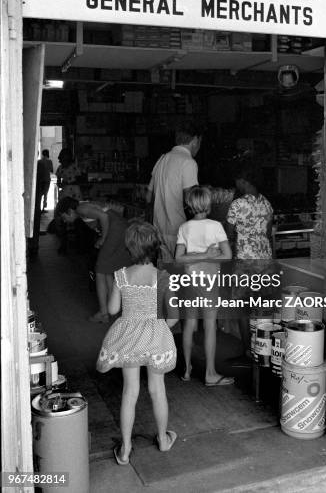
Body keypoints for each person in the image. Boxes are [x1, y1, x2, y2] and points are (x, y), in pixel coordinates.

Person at [96, 221, 178, 464]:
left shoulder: (121, 275)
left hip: (129, 338)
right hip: (155, 338)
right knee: (157, 390)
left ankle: (125, 449)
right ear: (154, 246)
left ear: (130, 248)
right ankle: (163, 439)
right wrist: (159, 327)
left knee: (129, 392)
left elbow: (112, 309)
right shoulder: (162, 276)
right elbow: (173, 317)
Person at [175, 186, 234, 386]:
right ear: (208, 204)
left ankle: (187, 369)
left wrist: (196, 256)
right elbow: (227, 255)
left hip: (190, 279)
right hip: (209, 281)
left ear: (189, 206)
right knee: (209, 326)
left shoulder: (184, 228)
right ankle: (210, 374)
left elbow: (178, 258)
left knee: (189, 324)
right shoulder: (216, 226)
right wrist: (209, 255)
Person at [55, 197, 133, 323]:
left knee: (100, 270)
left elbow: (104, 217)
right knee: (107, 272)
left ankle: (104, 313)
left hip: (116, 230)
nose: (64, 221)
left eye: (63, 217)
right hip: (119, 229)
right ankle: (111, 309)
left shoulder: (81, 209)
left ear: (69, 211)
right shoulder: (82, 209)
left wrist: (103, 238)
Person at [226, 163, 274, 364]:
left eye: (238, 180)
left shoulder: (237, 205)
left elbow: (228, 236)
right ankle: (264, 351)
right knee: (262, 309)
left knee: (241, 308)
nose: (236, 183)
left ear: (244, 181)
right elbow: (268, 234)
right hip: (265, 261)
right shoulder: (267, 204)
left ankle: (247, 350)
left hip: (244, 262)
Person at [146, 124, 201, 261]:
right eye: (200, 142)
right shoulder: (188, 162)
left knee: (165, 276)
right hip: (178, 231)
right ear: (195, 140)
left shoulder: (162, 159)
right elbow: (193, 202)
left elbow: (148, 197)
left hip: (158, 230)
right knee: (182, 277)